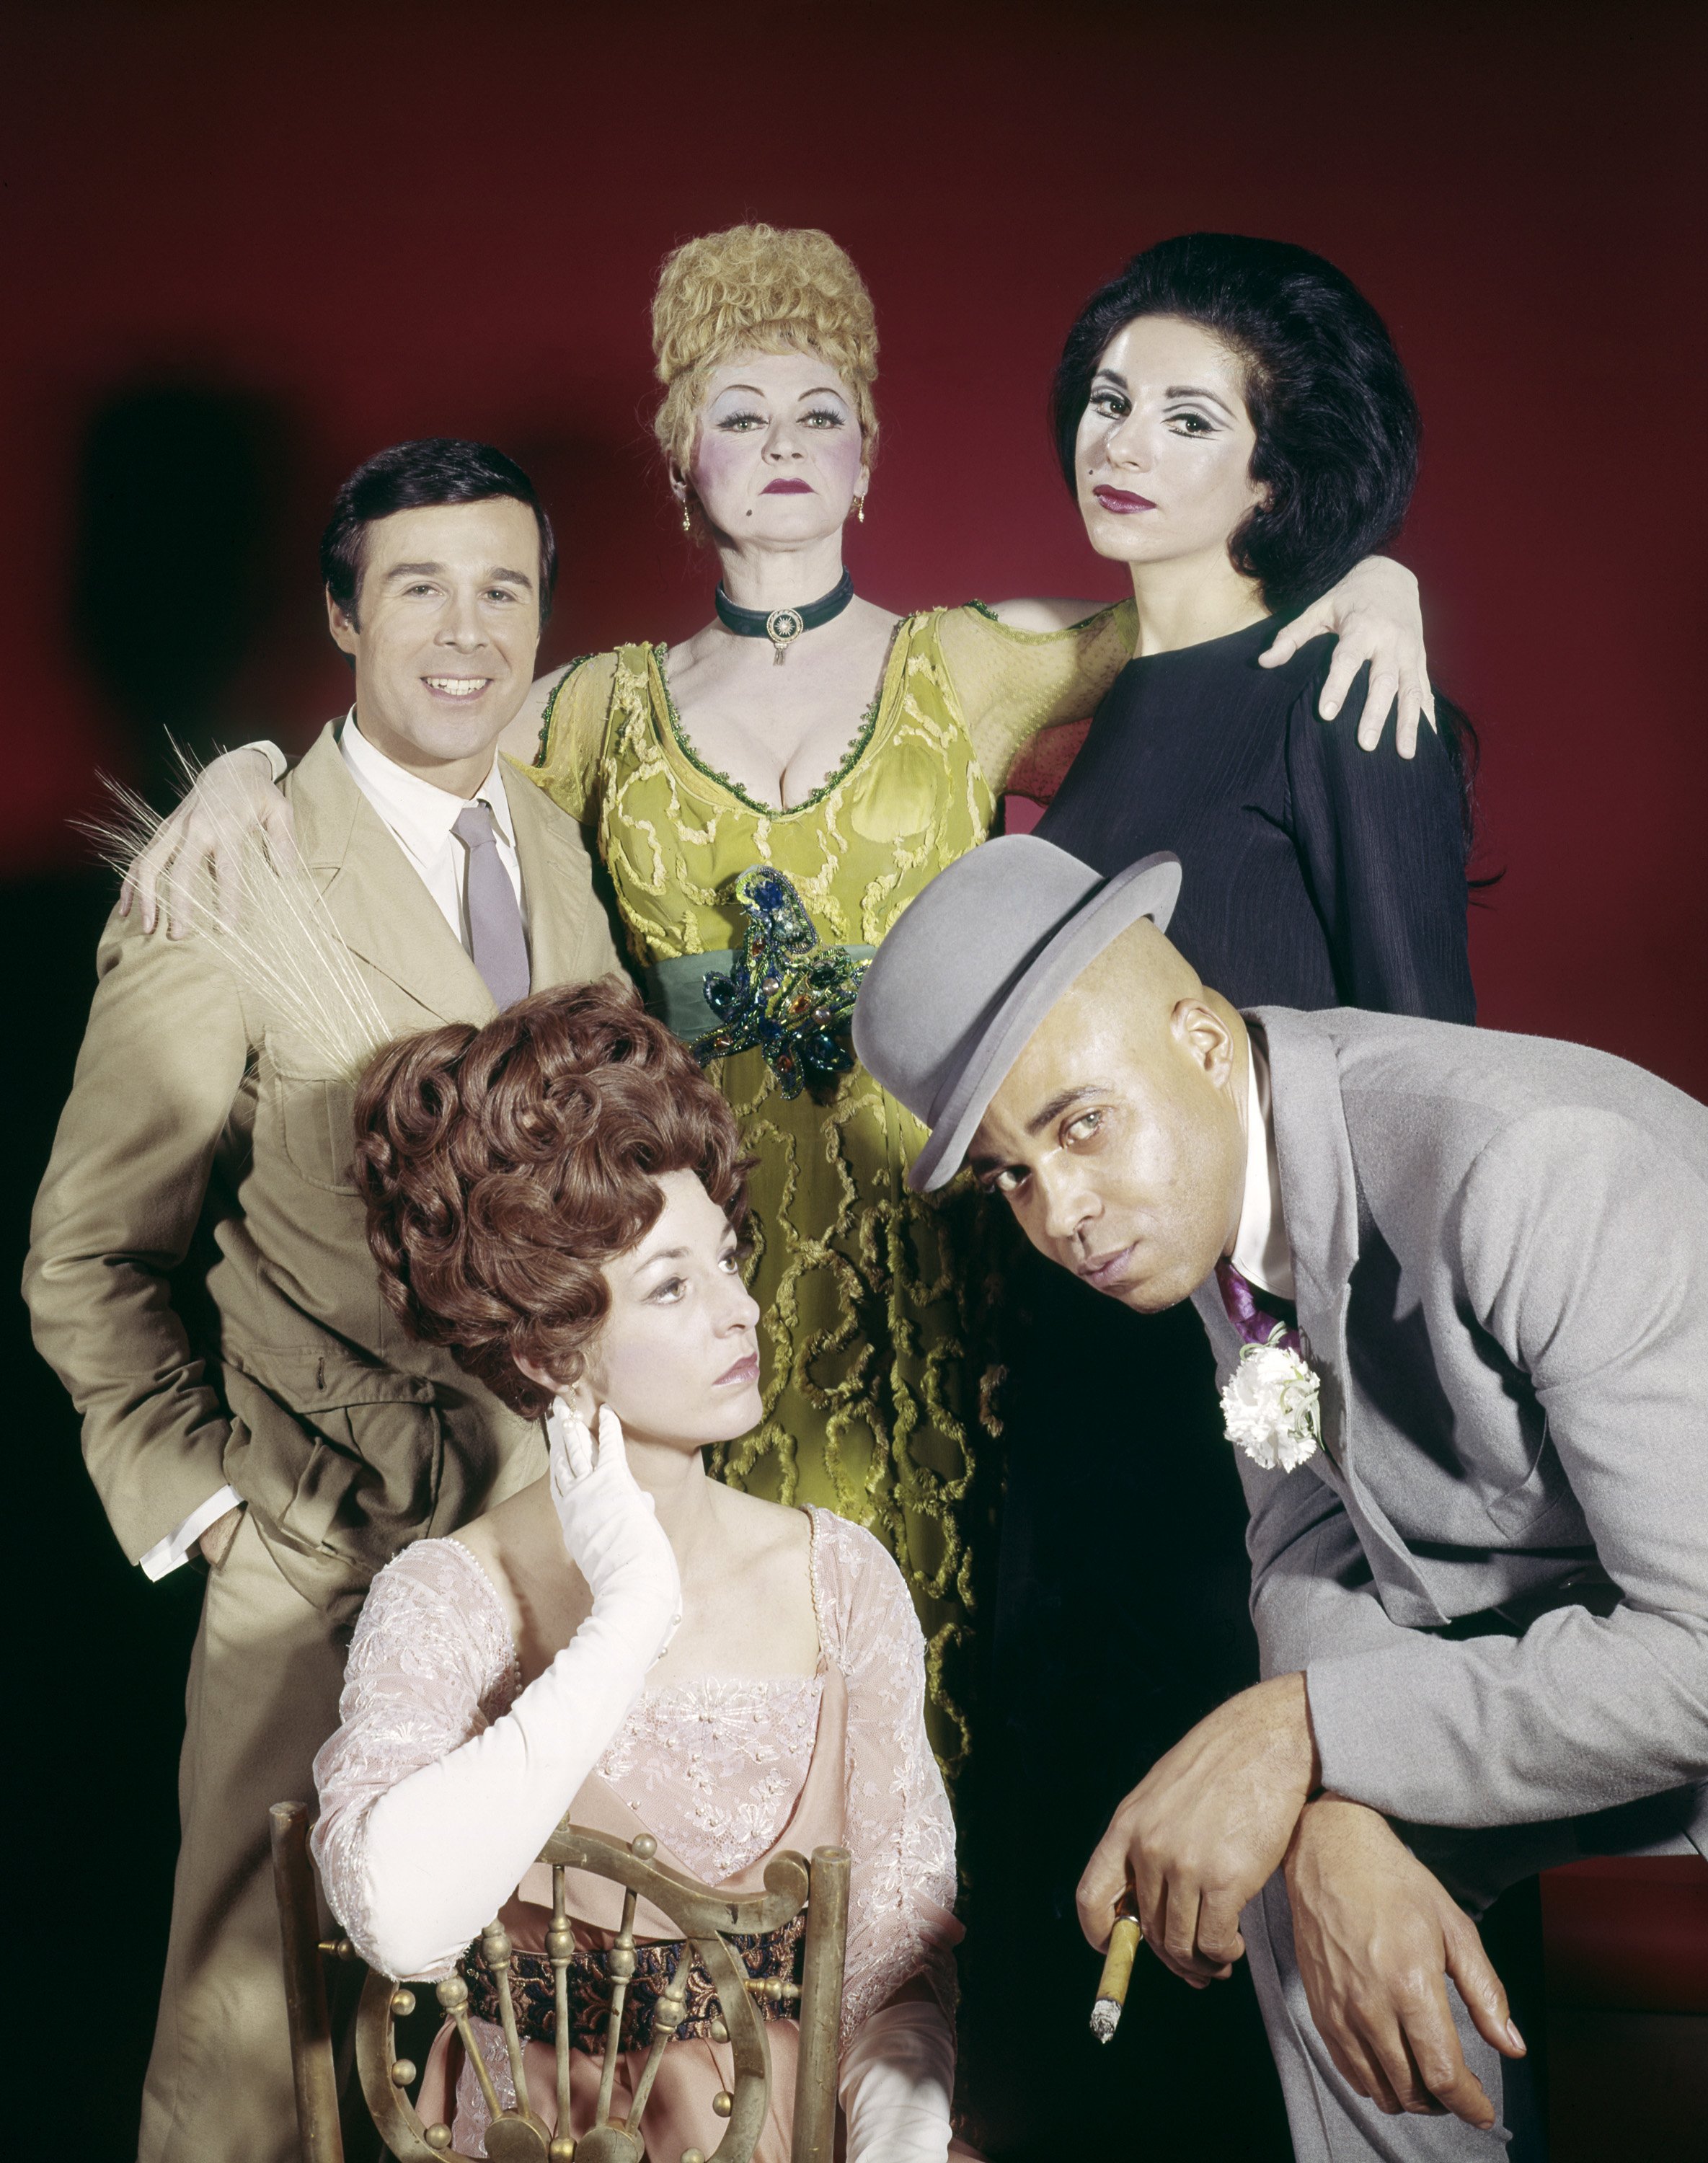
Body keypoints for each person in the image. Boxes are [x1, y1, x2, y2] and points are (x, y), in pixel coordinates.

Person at [123, 224, 1437, 1774]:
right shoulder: (596, 706)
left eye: (820, 413)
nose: (783, 446)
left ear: (870, 459)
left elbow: (1214, 611)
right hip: (698, 1261)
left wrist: (1381, 580)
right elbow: (404, 738)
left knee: (962, 1672)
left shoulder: (971, 666)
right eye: (739, 415)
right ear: (683, 461)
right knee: (715, 1673)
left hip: (957, 1251)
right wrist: (249, 773)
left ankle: (925, 1997)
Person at [851, 831, 1708, 2163]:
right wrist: (1334, 1804)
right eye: (1013, 1175)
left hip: (1681, 1656)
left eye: (1080, 1125)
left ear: (1197, 1040)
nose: (1061, 1213)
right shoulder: (1208, 1193)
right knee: (1305, 1884)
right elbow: (1307, 1524)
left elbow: (1704, 1663)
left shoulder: (1528, 1168)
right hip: (1559, 1650)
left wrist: (1308, 1728)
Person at [24, 440, 623, 2163]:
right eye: (417, 586)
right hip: (321, 1571)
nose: (465, 631)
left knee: (516, 2073)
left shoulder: (558, 846)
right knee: (253, 2071)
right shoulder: (237, 869)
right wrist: (211, 1506)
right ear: (341, 616)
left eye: (503, 589)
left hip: (550, 1564)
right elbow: (85, 1252)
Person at [975, 231, 1479, 2157]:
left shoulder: (1341, 685)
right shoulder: (1103, 702)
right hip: (1072, 1382)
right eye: (1111, 396)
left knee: (1239, 1920)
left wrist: (1323, 1437)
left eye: (1190, 416)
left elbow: (1422, 1081)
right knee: (1085, 1913)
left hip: (1254, 1403)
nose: (1125, 439)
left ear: (1269, 477)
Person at [314, 980, 966, 2162]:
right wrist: (628, 1621)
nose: (742, 1310)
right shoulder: (448, 1597)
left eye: (724, 1258)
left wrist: (898, 2149)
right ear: (547, 1344)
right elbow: (397, 1918)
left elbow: (894, 1995)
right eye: (673, 1286)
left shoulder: (843, 1579)